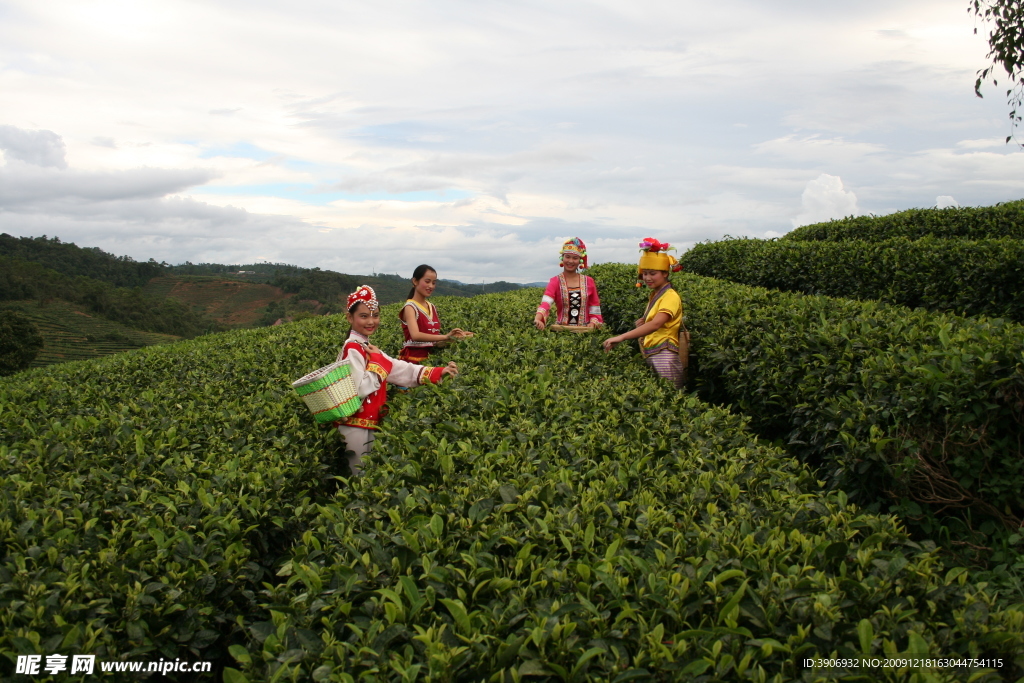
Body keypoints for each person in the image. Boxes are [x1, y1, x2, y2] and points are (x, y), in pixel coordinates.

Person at [335, 285, 458, 475]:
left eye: (375, 315)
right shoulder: (352, 348)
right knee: (358, 478)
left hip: (368, 422)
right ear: (350, 318)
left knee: (368, 476)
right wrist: (380, 363)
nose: (371, 321)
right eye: (364, 316)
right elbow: (358, 388)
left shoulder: (366, 346)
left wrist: (437, 372)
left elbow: (399, 369)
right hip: (354, 425)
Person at [602, 238, 685, 389]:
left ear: (665, 273)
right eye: (645, 273)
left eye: (652, 273)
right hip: (653, 353)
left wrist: (622, 337)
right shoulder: (656, 295)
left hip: (664, 355)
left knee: (671, 397)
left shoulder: (670, 296)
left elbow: (656, 324)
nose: (647, 278)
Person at [399, 264, 473, 364]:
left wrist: (457, 337)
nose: (431, 286)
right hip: (413, 362)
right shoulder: (410, 307)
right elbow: (415, 335)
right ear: (415, 281)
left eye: (433, 283)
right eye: (427, 281)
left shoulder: (432, 307)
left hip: (432, 360)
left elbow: (434, 340)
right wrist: (446, 337)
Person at [533, 237, 603, 330]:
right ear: (562, 258)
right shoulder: (555, 281)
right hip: (561, 332)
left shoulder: (589, 281)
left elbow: (594, 307)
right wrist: (538, 319)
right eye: (567, 257)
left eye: (575, 258)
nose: (570, 261)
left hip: (584, 333)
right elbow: (546, 302)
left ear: (580, 260)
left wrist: (593, 323)